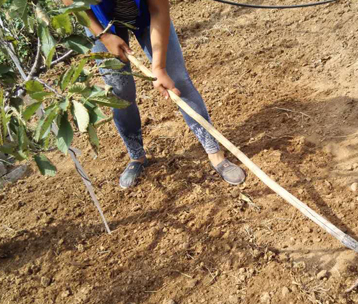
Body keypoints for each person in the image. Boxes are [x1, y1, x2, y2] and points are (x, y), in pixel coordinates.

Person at [62, 0, 246, 188]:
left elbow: (159, 10)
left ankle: (214, 151)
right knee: (119, 92)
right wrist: (103, 36)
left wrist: (158, 67)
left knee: (177, 80)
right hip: (100, 22)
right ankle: (137, 156)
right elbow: (72, 3)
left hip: (147, 16)